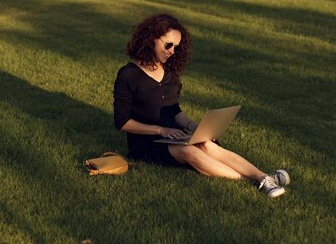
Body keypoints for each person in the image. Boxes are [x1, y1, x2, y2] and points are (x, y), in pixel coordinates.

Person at [113, 13, 290, 198]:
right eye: (168, 45)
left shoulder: (170, 76)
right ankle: (256, 180)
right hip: (145, 143)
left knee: (207, 144)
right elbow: (122, 122)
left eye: (176, 47)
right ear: (151, 39)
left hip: (173, 135)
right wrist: (160, 130)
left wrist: (195, 127)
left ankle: (262, 177)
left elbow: (174, 111)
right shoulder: (128, 75)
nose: (172, 51)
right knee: (188, 151)